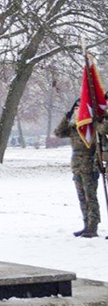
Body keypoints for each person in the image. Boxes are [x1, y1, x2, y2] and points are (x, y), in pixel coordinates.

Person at [54, 98, 101, 238]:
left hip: (89, 165)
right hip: (77, 165)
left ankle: (93, 226)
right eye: (75, 108)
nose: (77, 110)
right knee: (82, 197)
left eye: (79, 108)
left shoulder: (91, 128)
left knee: (90, 197)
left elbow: (97, 147)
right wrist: (67, 117)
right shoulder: (75, 128)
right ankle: (86, 225)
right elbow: (58, 132)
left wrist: (95, 166)